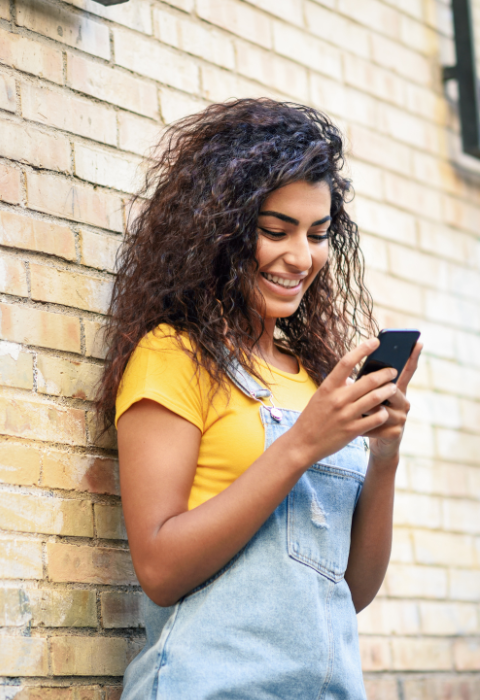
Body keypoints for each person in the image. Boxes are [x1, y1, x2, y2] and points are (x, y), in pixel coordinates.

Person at [93, 99, 423, 699]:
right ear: (218, 227)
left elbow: (350, 590)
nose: (301, 257)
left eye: (318, 235)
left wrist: (384, 456)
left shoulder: (313, 380)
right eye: (276, 230)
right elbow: (160, 570)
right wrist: (301, 444)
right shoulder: (174, 357)